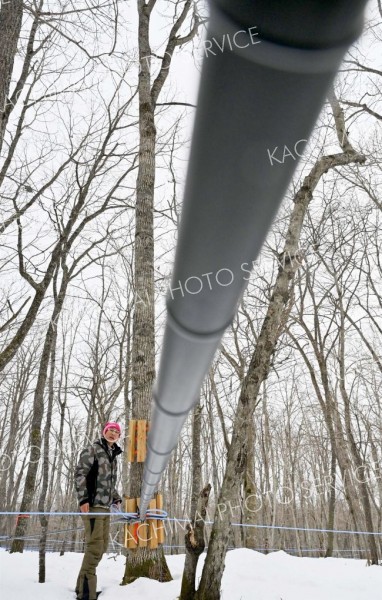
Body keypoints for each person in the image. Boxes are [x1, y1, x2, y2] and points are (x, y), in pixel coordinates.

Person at [74, 422, 123, 600]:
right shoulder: (93, 449)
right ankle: (87, 593)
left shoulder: (113, 455)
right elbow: (80, 474)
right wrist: (83, 498)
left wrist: (116, 497)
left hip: (105, 507)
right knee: (95, 548)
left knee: (101, 547)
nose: (112, 433)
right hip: (92, 505)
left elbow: (108, 484)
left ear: (119, 436)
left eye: (116, 432)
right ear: (104, 432)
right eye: (110, 430)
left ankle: (81, 587)